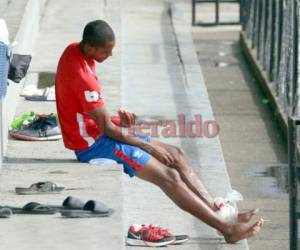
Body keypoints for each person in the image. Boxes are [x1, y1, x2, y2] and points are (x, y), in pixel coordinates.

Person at [55, 19, 263, 244]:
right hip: (93, 146)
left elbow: (94, 116)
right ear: (92, 48)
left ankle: (223, 214)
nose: (110, 55)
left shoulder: (76, 50)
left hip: (101, 132)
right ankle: (227, 229)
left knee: (177, 154)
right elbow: (108, 129)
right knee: (169, 176)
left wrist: (116, 120)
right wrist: (148, 145)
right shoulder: (83, 77)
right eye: (107, 51)